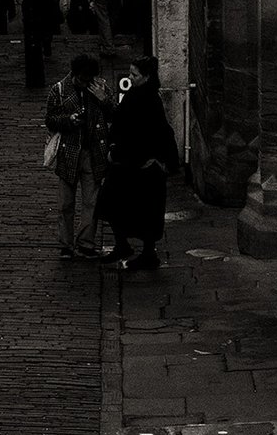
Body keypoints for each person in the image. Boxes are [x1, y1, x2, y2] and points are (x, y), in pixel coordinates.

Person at [97, 58, 181, 274]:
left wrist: (158, 161)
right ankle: (122, 245)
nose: (130, 78)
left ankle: (148, 254)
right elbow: (122, 122)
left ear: (147, 77)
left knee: (144, 211)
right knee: (111, 203)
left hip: (141, 165)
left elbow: (150, 132)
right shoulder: (136, 95)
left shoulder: (150, 99)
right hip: (129, 161)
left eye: (134, 75)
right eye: (130, 74)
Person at [45, 54, 100, 256]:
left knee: (91, 202)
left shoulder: (98, 89)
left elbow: (113, 113)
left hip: (92, 152)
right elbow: (50, 119)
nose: (86, 84)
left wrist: (103, 100)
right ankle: (66, 244)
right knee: (65, 202)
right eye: (82, 80)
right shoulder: (58, 90)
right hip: (68, 151)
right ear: (74, 75)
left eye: (89, 80)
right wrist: (69, 120)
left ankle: (86, 242)